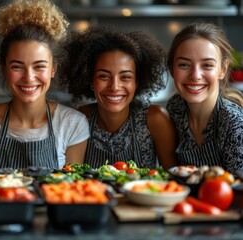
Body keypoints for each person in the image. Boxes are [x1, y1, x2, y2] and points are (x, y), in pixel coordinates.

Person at [0, 0, 90, 175]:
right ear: (4, 69)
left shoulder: (72, 124)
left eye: (39, 66)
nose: (29, 77)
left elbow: (70, 190)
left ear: (53, 69)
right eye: (17, 66)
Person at [62, 25, 177, 170]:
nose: (115, 86)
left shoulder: (155, 119)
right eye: (104, 76)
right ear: (90, 80)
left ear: (137, 82)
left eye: (125, 77)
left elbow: (173, 179)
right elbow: (72, 181)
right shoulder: (79, 118)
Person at [166, 22, 243, 173]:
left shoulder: (233, 122)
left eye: (207, 65)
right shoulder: (175, 107)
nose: (195, 75)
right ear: (171, 69)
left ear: (223, 69)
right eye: (184, 65)